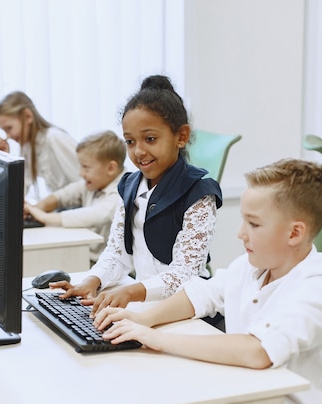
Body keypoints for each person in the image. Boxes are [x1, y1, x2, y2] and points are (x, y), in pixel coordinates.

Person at [94, 158, 322, 404]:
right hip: (254, 399)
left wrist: (157, 339)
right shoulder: (251, 266)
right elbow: (200, 295)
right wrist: (141, 319)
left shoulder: (318, 286)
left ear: (295, 233)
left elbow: (258, 351)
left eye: (254, 223)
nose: (241, 233)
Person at [50, 75, 223, 316]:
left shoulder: (199, 192)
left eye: (150, 139)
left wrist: (131, 292)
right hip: (143, 306)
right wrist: (92, 282)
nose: (139, 151)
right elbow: (118, 254)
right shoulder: (130, 185)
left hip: (188, 311)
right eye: (130, 141)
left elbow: (185, 273)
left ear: (181, 136)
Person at [24, 130, 127, 263]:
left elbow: (93, 215)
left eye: (86, 167)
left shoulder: (122, 192)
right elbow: (62, 196)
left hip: (110, 266)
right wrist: (37, 207)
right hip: (89, 258)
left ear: (111, 168)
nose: (81, 173)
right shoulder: (95, 183)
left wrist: (43, 216)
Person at [0, 91, 80, 199]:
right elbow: (20, 192)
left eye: (9, 128)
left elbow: (83, 183)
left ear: (28, 116)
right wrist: (3, 159)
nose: (8, 136)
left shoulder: (55, 138)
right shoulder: (27, 147)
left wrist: (48, 204)